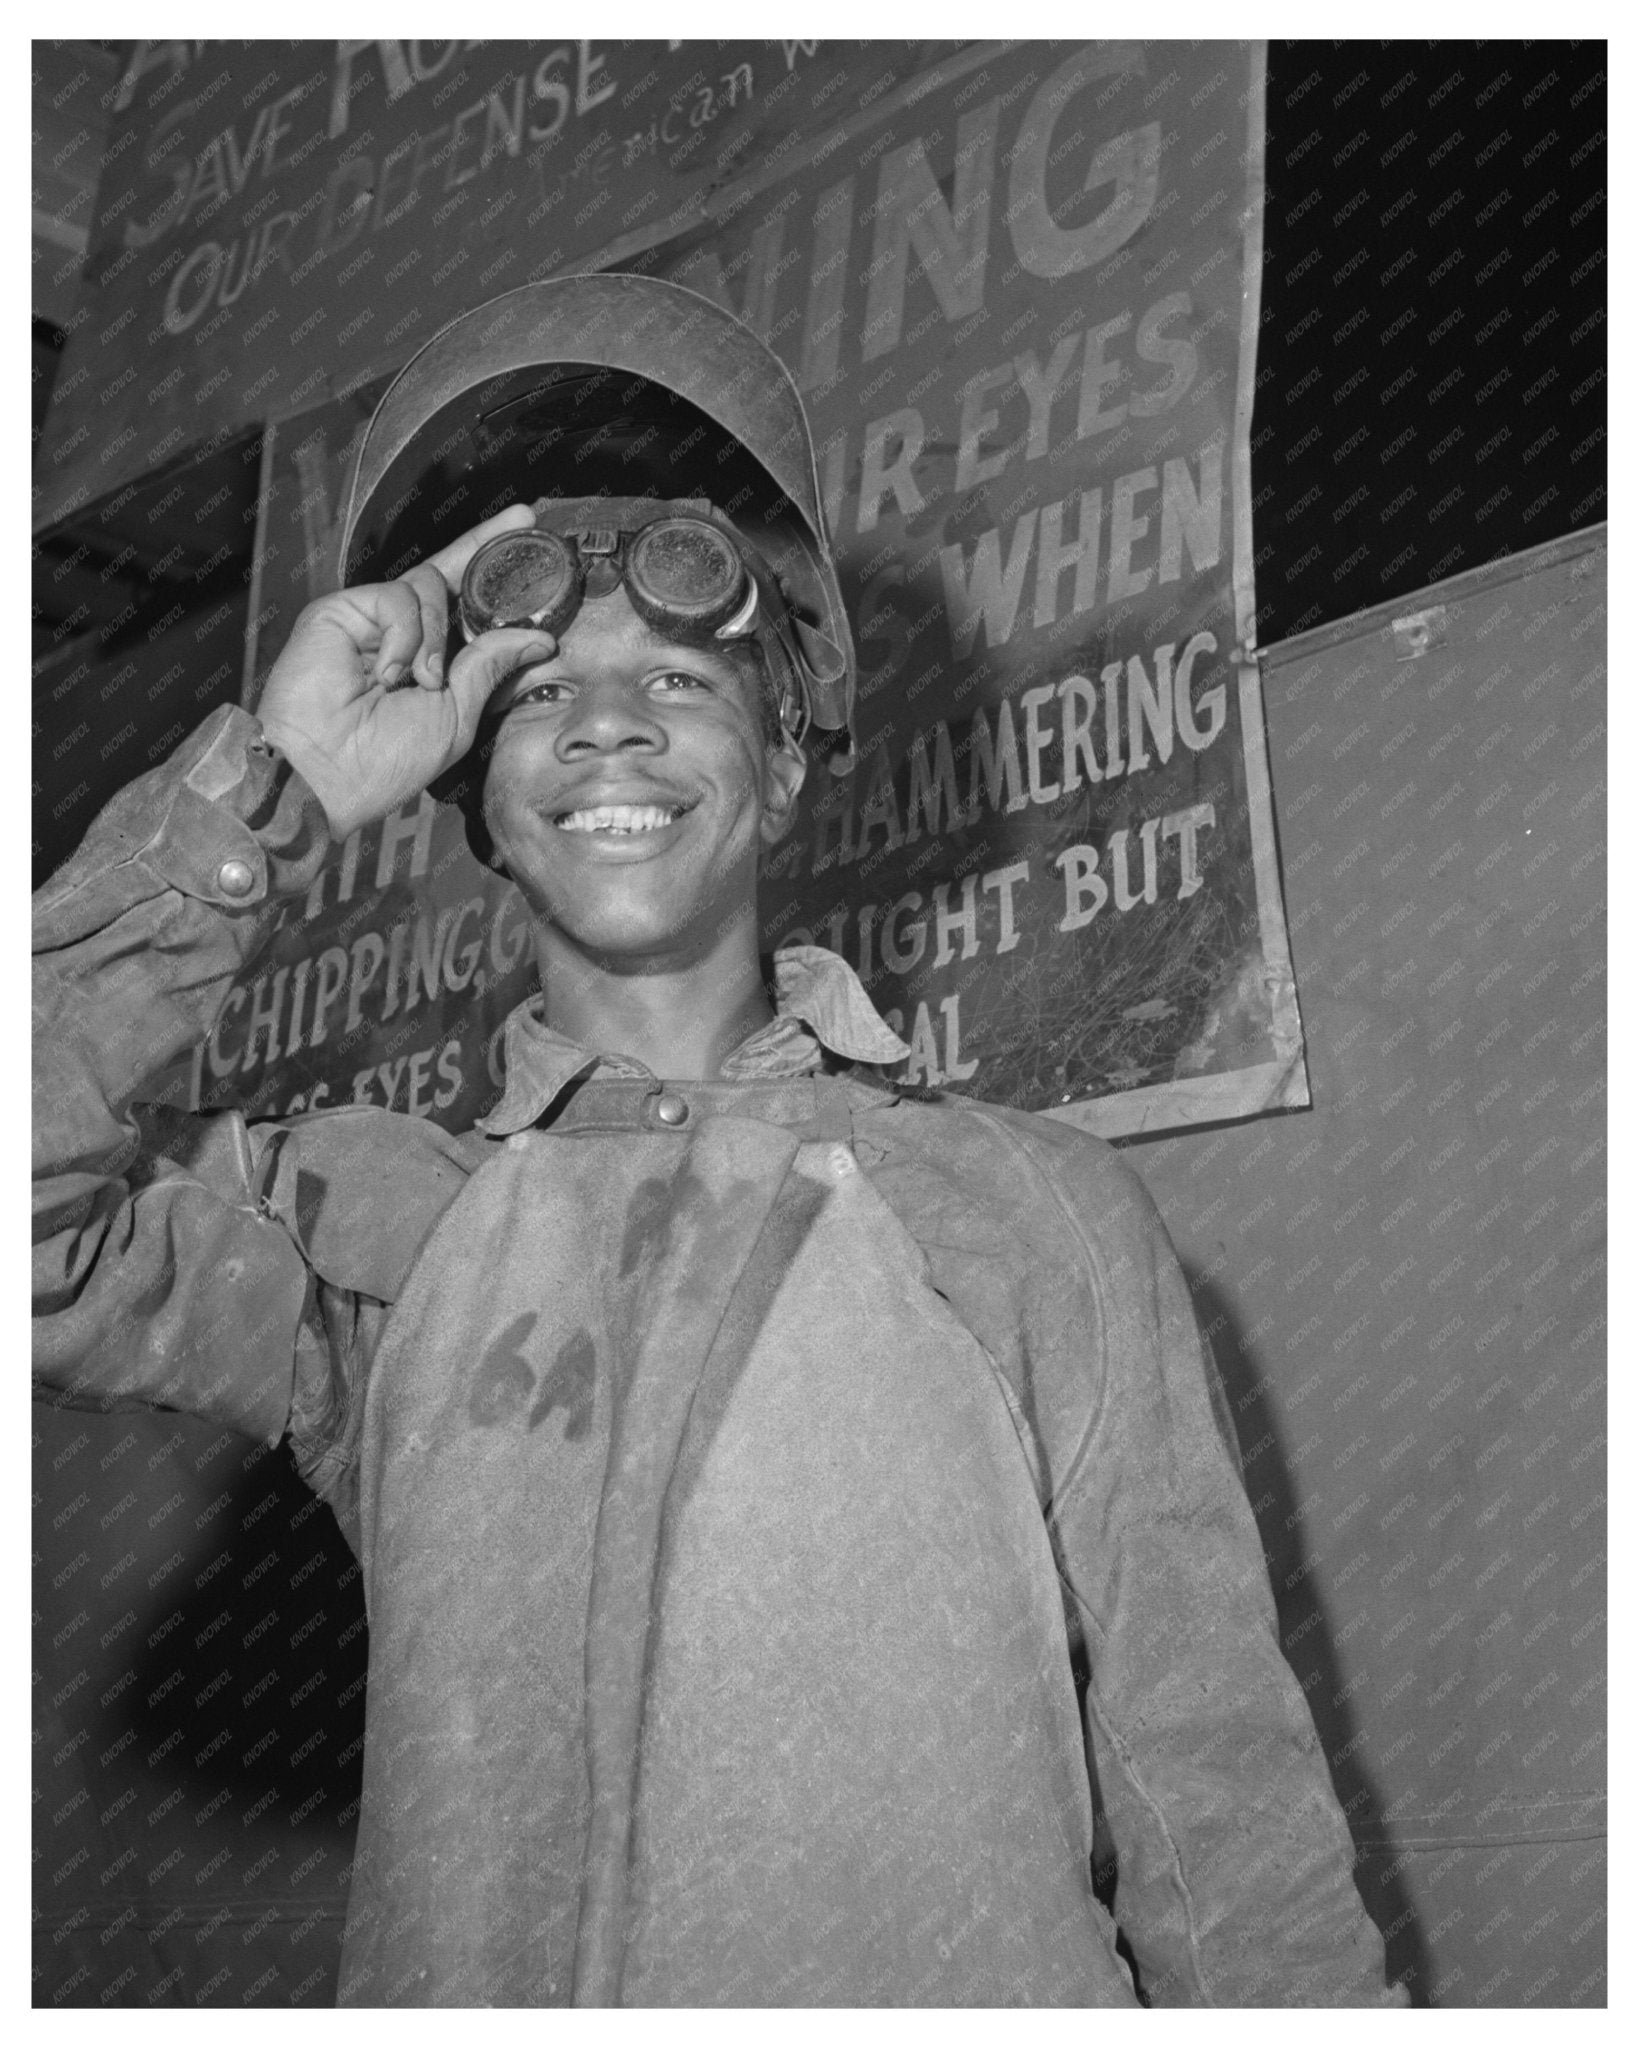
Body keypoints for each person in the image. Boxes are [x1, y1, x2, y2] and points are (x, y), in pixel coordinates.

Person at [33, 273, 1399, 2008]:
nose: (608, 720)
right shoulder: (372, 1230)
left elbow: (1231, 1825)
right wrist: (272, 797)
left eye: (681, 674)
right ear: (472, 806)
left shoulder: (1026, 1214)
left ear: (788, 759)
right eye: (537, 697)